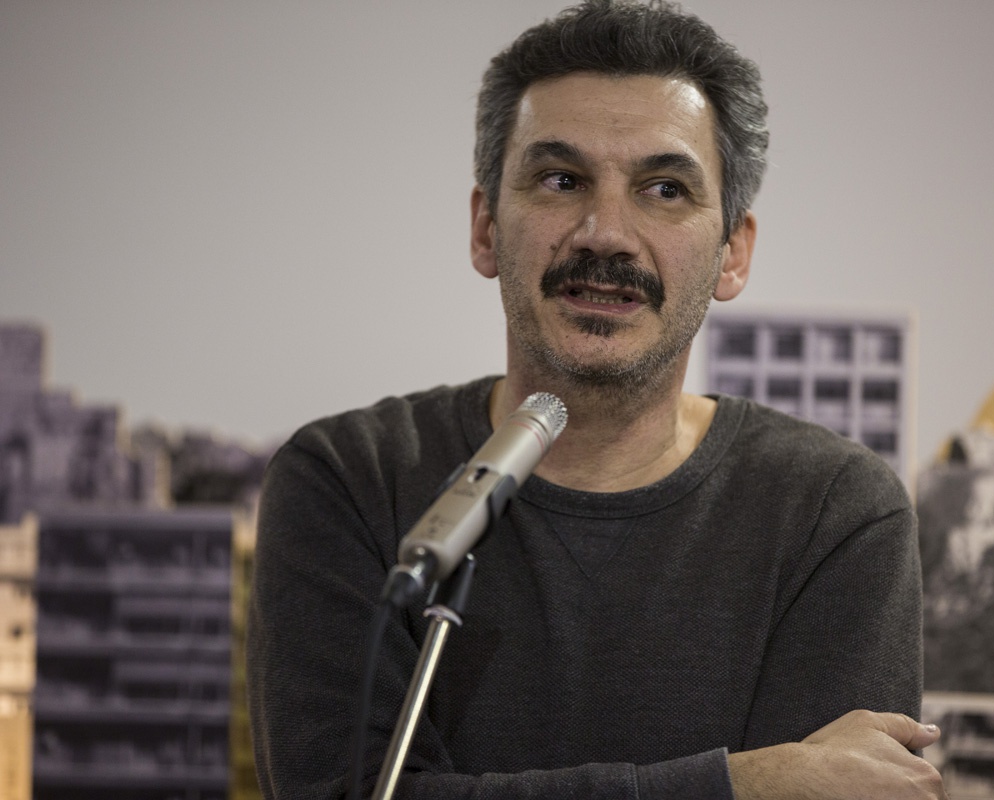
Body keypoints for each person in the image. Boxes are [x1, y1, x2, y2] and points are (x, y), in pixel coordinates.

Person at [247, 1, 946, 798]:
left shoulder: (836, 514)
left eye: (665, 189)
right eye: (560, 180)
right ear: (485, 228)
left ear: (732, 253)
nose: (605, 232)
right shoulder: (347, 482)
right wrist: (749, 784)